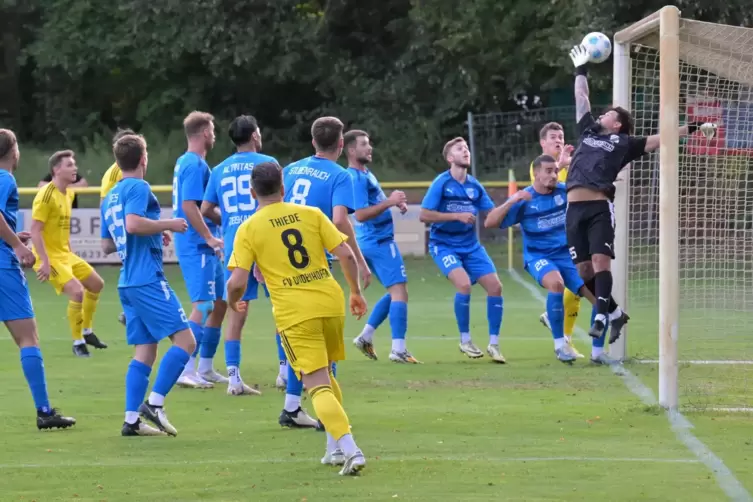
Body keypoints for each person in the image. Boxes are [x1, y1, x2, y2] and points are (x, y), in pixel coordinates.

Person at [566, 45, 715, 343]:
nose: (601, 115)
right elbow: (581, 99)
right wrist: (581, 69)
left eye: (607, 114)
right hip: (573, 210)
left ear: (617, 123)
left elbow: (664, 138)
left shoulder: (625, 143)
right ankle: (616, 314)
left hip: (597, 208)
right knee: (583, 272)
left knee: (600, 263)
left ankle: (599, 316)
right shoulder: (588, 132)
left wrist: (696, 127)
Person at [226, 161, 367, 475]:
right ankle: (333, 449)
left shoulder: (249, 228)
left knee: (315, 384)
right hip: (330, 302)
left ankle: (351, 450)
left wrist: (234, 303)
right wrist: (355, 291)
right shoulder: (311, 214)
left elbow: (236, 281)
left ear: (252, 193)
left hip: (295, 312)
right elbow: (344, 254)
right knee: (328, 376)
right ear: (283, 188)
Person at [275, 116, 369, 430]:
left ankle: (292, 406)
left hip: (281, 260)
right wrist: (357, 258)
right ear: (341, 145)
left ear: (313, 141)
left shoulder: (290, 169)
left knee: (297, 332)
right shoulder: (341, 175)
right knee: (323, 337)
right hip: (313, 263)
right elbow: (340, 220)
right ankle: (333, 424)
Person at [102, 133, 195, 436]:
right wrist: (168, 224)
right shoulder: (139, 187)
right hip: (147, 279)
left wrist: (153, 233)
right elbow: (132, 224)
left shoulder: (111, 195)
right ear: (143, 158)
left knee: (145, 350)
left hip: (127, 281)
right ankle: (154, 404)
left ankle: (131, 420)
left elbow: (106, 244)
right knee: (187, 342)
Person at [486, 155, 604, 363]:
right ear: (536, 173)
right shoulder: (525, 199)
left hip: (568, 255)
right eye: (548, 171)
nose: (553, 175)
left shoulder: (564, 191)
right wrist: (512, 200)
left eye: (555, 171)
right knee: (556, 284)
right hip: (538, 256)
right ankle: (560, 345)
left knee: (600, 297)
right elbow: (489, 222)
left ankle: (598, 353)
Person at [0, 129, 76, 430]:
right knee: (28, 339)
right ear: (13, 152)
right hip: (3, 269)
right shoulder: (5, 177)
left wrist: (11, 237)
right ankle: (44, 412)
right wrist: (17, 247)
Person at [200, 115, 270, 398]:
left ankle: (233, 378)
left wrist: (228, 220)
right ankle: (283, 371)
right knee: (281, 306)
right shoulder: (267, 164)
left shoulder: (219, 169)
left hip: (236, 243)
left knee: (236, 312)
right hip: (266, 239)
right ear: (254, 135)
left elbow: (205, 209)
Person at [420, 137, 505, 362]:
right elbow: (424, 214)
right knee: (464, 284)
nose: (466, 151)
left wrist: (513, 206)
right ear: (450, 158)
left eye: (467, 148)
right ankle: (465, 340)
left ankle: (494, 344)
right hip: (443, 245)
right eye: (460, 149)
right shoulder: (441, 183)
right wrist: (455, 215)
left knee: (496, 287)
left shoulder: (474, 185)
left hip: (471, 246)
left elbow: (491, 214)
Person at [346, 129, 418, 363]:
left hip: (374, 241)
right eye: (364, 144)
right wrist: (390, 202)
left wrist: (393, 204)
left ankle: (366, 337)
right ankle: (398, 349)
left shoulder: (365, 172)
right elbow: (362, 214)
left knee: (397, 291)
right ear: (351, 150)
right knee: (400, 292)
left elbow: (374, 204)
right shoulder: (355, 177)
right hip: (378, 242)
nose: (370, 148)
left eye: (369, 143)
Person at [30, 150, 107, 357]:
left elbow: (60, 230)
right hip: (49, 257)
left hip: (65, 254)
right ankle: (77, 342)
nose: (75, 168)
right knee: (77, 292)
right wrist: (44, 262)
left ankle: (87, 330)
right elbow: (35, 231)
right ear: (56, 170)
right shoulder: (46, 195)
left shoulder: (69, 193)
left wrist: (70, 252)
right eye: (70, 165)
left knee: (97, 284)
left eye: (74, 164)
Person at [172, 111, 226, 388]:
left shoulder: (192, 162)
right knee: (203, 305)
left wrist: (223, 223)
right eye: (213, 130)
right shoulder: (193, 164)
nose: (214, 135)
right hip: (197, 245)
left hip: (206, 244)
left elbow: (204, 208)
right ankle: (185, 369)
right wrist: (209, 237)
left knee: (220, 304)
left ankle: (205, 366)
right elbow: (189, 206)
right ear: (205, 132)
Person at [528, 122, 584, 358]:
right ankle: (563, 338)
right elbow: (549, 184)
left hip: (573, 231)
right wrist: (562, 163)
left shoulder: (569, 165)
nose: (558, 140)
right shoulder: (538, 166)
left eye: (561, 136)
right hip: (548, 242)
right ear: (543, 143)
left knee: (581, 286)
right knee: (572, 283)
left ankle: (565, 335)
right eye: (553, 137)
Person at [100, 127, 136, 328]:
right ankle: (131, 308)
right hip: (122, 221)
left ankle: (130, 309)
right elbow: (107, 201)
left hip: (120, 221)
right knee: (135, 259)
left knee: (131, 262)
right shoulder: (117, 172)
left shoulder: (116, 171)